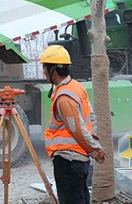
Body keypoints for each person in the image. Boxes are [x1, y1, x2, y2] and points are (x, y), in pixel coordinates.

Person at [40, 44, 106, 204]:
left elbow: (77, 129)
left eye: (44, 67)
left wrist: (94, 149)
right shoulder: (75, 86)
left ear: (53, 70)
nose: (43, 71)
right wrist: (93, 144)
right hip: (78, 160)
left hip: (68, 161)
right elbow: (91, 117)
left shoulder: (64, 97)